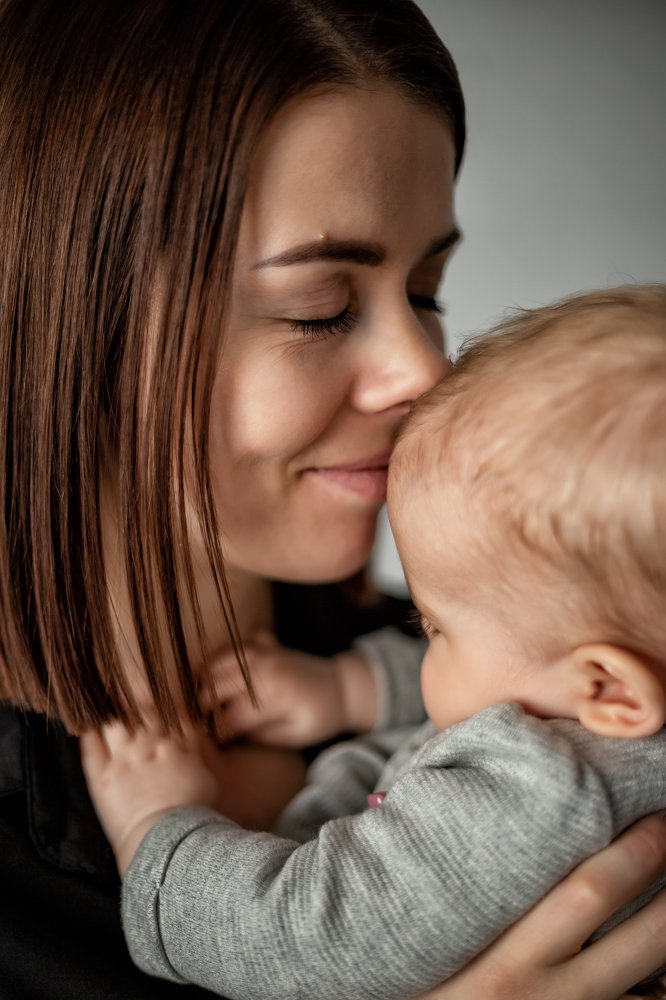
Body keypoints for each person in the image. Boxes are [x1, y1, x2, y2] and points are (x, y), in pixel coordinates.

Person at [0, 0, 664, 997]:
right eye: (320, 310)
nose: (424, 369)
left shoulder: (540, 663)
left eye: (428, 292)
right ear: (71, 328)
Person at [82, 284, 666, 999]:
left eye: (436, 629)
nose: (425, 369)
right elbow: (521, 663)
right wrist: (349, 690)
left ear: (610, 690)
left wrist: (156, 829)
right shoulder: (594, 706)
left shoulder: (541, 790)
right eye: (319, 309)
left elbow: (301, 941)